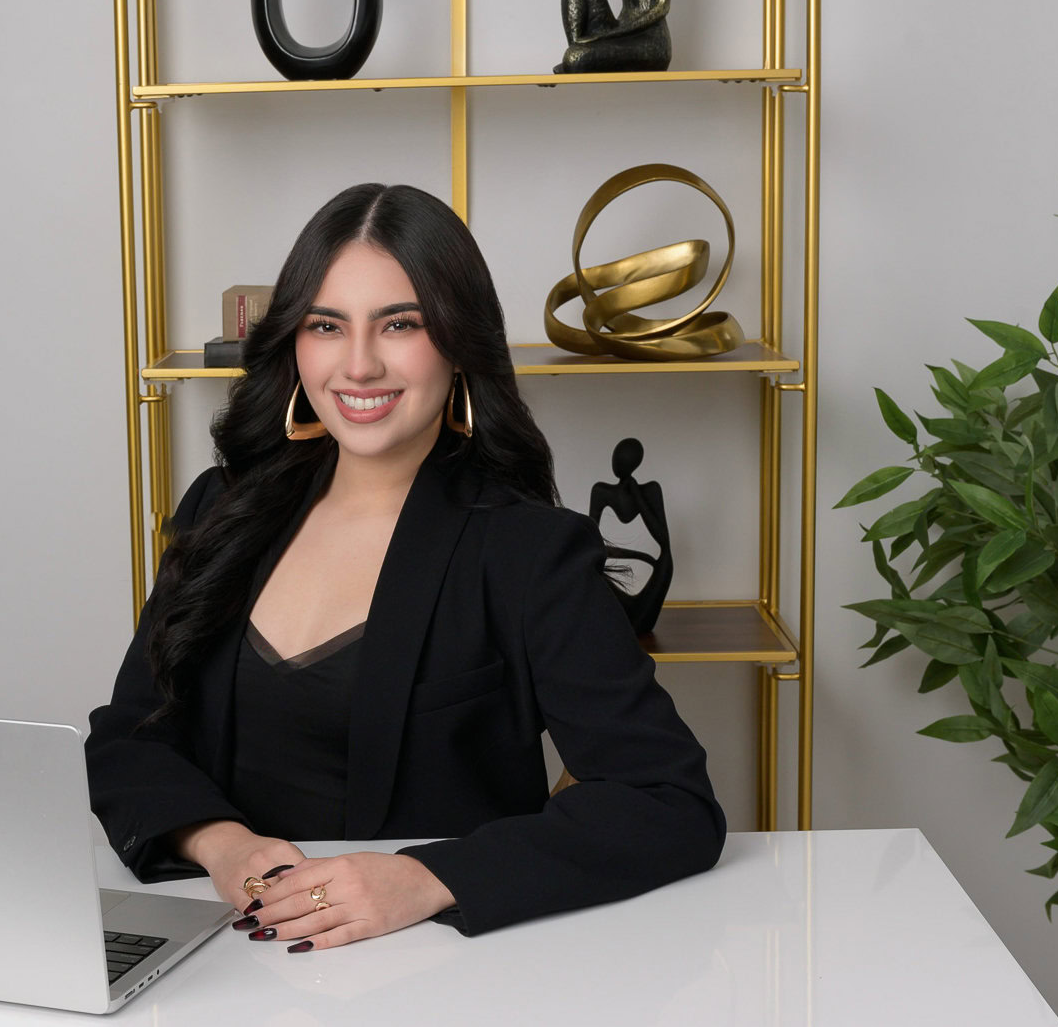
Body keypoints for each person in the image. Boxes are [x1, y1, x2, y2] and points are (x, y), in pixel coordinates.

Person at [85, 183, 723, 953]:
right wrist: (227, 849)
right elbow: (128, 737)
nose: (358, 365)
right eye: (327, 325)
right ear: (294, 341)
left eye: (401, 324)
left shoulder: (527, 551)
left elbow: (668, 799)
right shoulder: (218, 508)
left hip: (427, 965)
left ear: (458, 344)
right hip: (224, 950)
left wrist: (426, 878)